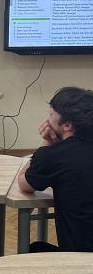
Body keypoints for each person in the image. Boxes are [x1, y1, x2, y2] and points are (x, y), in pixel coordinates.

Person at [17, 86, 93, 253]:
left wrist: (47, 143)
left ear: (67, 125)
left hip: (81, 260)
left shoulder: (54, 156)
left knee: (35, 249)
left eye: (52, 114)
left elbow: (24, 183)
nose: (48, 116)